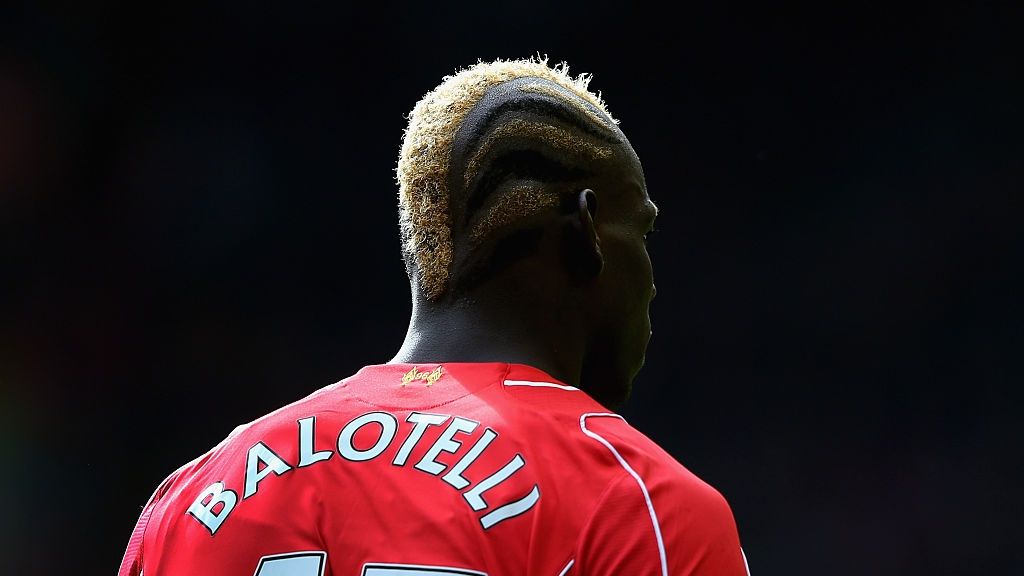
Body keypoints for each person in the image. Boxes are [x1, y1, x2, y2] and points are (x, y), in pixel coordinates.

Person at [119, 56, 750, 576]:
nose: (651, 282)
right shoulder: (636, 504)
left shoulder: (193, 496)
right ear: (585, 232)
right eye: (640, 234)